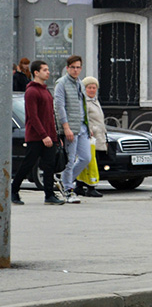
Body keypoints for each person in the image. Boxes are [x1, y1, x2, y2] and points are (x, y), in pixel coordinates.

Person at [11, 60, 67, 205]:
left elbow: (50, 116)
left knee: (49, 165)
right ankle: (13, 190)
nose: (48, 72)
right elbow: (33, 117)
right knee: (28, 164)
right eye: (45, 70)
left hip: (50, 136)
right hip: (36, 136)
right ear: (36, 72)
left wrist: (55, 136)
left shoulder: (45, 90)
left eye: (48, 70)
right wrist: (43, 135)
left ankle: (49, 195)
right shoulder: (31, 91)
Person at [53, 55, 88, 203]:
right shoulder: (61, 83)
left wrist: (89, 124)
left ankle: (64, 181)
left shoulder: (80, 83)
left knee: (86, 157)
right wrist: (65, 127)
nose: (75, 70)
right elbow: (59, 106)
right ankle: (68, 190)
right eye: (73, 67)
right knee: (70, 159)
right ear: (67, 68)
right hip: (70, 128)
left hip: (82, 126)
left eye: (78, 67)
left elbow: (84, 106)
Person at [78, 76, 106, 198]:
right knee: (90, 162)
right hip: (90, 137)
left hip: (98, 137)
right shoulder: (84, 102)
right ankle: (90, 187)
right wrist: (90, 130)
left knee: (89, 162)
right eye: (89, 87)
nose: (92, 90)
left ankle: (79, 186)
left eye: (94, 87)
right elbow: (84, 119)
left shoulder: (95, 101)